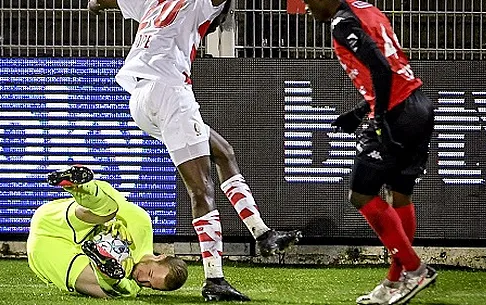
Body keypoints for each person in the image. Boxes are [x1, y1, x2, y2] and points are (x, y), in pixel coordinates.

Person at [87, 0, 302, 301]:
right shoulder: (202, 4)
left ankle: (262, 234)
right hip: (169, 91)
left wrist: (98, 4)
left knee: (224, 152)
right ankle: (214, 278)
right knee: (201, 190)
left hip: (139, 99)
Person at [301, 0, 438, 304]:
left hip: (396, 112)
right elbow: (393, 64)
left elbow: (380, 67)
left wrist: (379, 118)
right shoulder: (367, 9)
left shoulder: (342, 23)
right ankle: (394, 280)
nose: (307, 8)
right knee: (400, 194)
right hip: (418, 105)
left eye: (309, 1)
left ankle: (414, 270)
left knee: (361, 194)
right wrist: (361, 109)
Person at [27, 165, 188, 298]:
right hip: (59, 222)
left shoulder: (132, 285)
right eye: (150, 273)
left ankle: (107, 272)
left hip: (46, 252)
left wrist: (118, 279)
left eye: (150, 285)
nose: (142, 279)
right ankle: (80, 184)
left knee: (118, 293)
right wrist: (112, 222)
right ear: (160, 257)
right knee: (109, 210)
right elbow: (109, 192)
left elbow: (128, 289)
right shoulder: (142, 224)